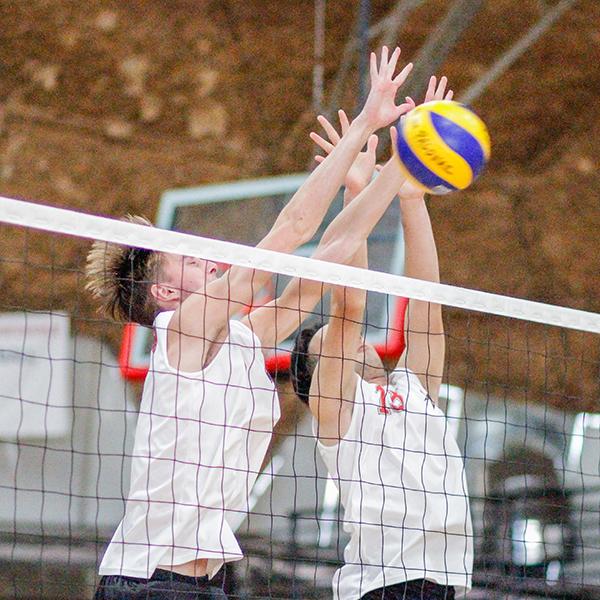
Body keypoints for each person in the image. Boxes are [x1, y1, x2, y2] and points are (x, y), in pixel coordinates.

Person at [86, 47, 414, 599]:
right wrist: (363, 121)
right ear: (167, 292)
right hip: (148, 584)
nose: (209, 260)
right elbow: (292, 228)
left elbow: (325, 259)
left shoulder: (241, 338)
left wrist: (389, 173)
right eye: (190, 261)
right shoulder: (183, 331)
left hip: (202, 584)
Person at [291, 77, 473, 600]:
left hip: (444, 582)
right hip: (382, 587)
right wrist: (357, 189)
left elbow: (426, 303)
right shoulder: (336, 415)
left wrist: (413, 199)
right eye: (335, 345)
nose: (355, 343)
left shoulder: (414, 389)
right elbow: (348, 308)